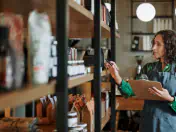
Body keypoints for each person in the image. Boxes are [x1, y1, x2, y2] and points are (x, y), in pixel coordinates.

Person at [105, 30, 176, 132]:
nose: (153, 48)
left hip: (169, 126)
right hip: (148, 124)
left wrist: (169, 98)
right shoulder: (149, 68)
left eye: (158, 44)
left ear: (169, 47)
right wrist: (116, 76)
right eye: (153, 43)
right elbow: (130, 91)